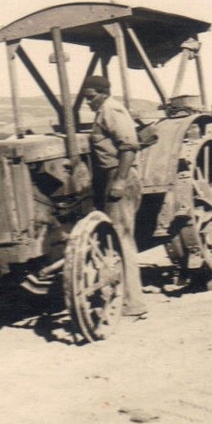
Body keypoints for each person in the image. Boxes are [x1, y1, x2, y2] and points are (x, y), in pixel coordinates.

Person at [81, 75, 148, 317]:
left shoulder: (112, 110)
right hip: (109, 177)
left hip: (121, 177)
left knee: (121, 239)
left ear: (103, 92)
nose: (88, 103)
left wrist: (119, 181)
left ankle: (133, 303)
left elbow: (129, 147)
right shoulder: (104, 111)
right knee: (114, 238)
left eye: (91, 98)